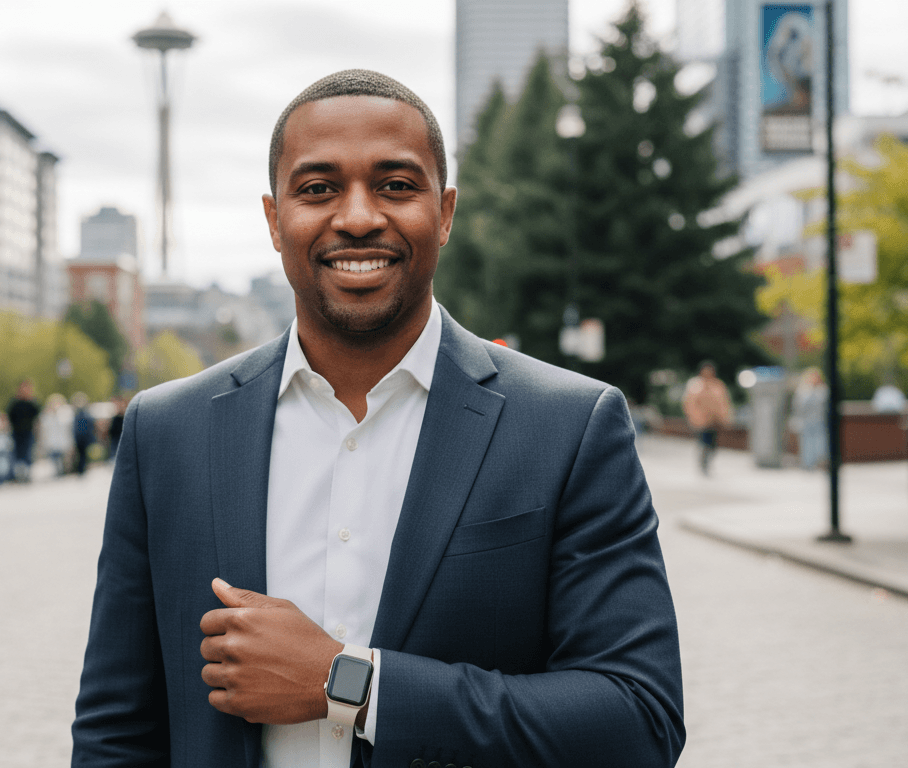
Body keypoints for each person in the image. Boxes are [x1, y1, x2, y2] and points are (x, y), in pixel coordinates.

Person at [72, 70, 684, 768]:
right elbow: (115, 735)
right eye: (318, 188)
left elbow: (638, 721)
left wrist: (349, 684)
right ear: (275, 221)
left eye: (396, 185)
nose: (358, 216)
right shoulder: (167, 434)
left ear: (445, 212)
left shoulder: (570, 429)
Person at [682, 361, 733, 476]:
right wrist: (694, 417)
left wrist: (725, 417)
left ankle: (707, 461)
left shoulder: (718, 385)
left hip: (715, 421)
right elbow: (689, 403)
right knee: (704, 442)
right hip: (701, 421)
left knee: (713, 444)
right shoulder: (695, 385)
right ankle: (703, 463)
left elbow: (724, 403)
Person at [791, 367, 828, 470]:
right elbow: (799, 406)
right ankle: (808, 464)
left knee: (819, 443)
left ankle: (819, 462)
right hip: (806, 421)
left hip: (819, 421)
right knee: (806, 443)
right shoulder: (803, 390)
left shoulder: (822, 389)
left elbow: (823, 404)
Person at [6, 380, 40, 482]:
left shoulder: (32, 403)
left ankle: (26, 474)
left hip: (28, 432)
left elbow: (37, 419)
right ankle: (16, 475)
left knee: (28, 454)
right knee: (16, 454)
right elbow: (9, 417)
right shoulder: (15, 403)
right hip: (16, 433)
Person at [39, 393, 73, 477]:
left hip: (63, 444)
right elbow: (43, 432)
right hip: (51, 444)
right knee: (54, 465)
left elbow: (69, 431)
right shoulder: (46, 417)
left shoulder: (65, 415)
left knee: (64, 464)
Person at [70, 393, 95, 477]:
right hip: (80, 437)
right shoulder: (79, 414)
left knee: (83, 454)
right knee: (81, 454)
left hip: (83, 437)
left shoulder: (84, 413)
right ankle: (80, 468)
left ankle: (82, 468)